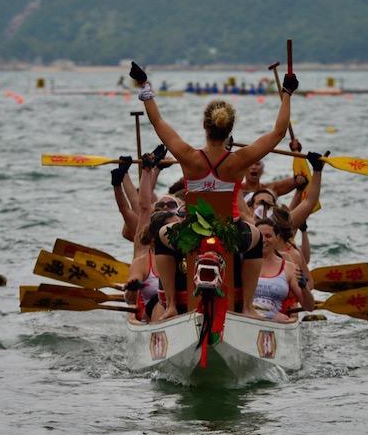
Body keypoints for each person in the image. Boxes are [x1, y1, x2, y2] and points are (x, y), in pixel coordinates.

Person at [128, 60, 304, 320]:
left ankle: (173, 306)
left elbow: (157, 121)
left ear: (204, 125)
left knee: (164, 235)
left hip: (191, 232)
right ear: (229, 129)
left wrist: (144, 85)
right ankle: (246, 307)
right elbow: (279, 132)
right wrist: (287, 94)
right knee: (255, 237)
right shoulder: (239, 160)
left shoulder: (188, 156)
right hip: (232, 232)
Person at [253, 217, 315, 321]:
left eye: (268, 236)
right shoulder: (245, 263)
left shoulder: (289, 267)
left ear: (277, 238)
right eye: (259, 236)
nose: (263, 240)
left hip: (277, 323)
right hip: (250, 317)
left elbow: (309, 307)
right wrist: (269, 315)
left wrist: (304, 287)